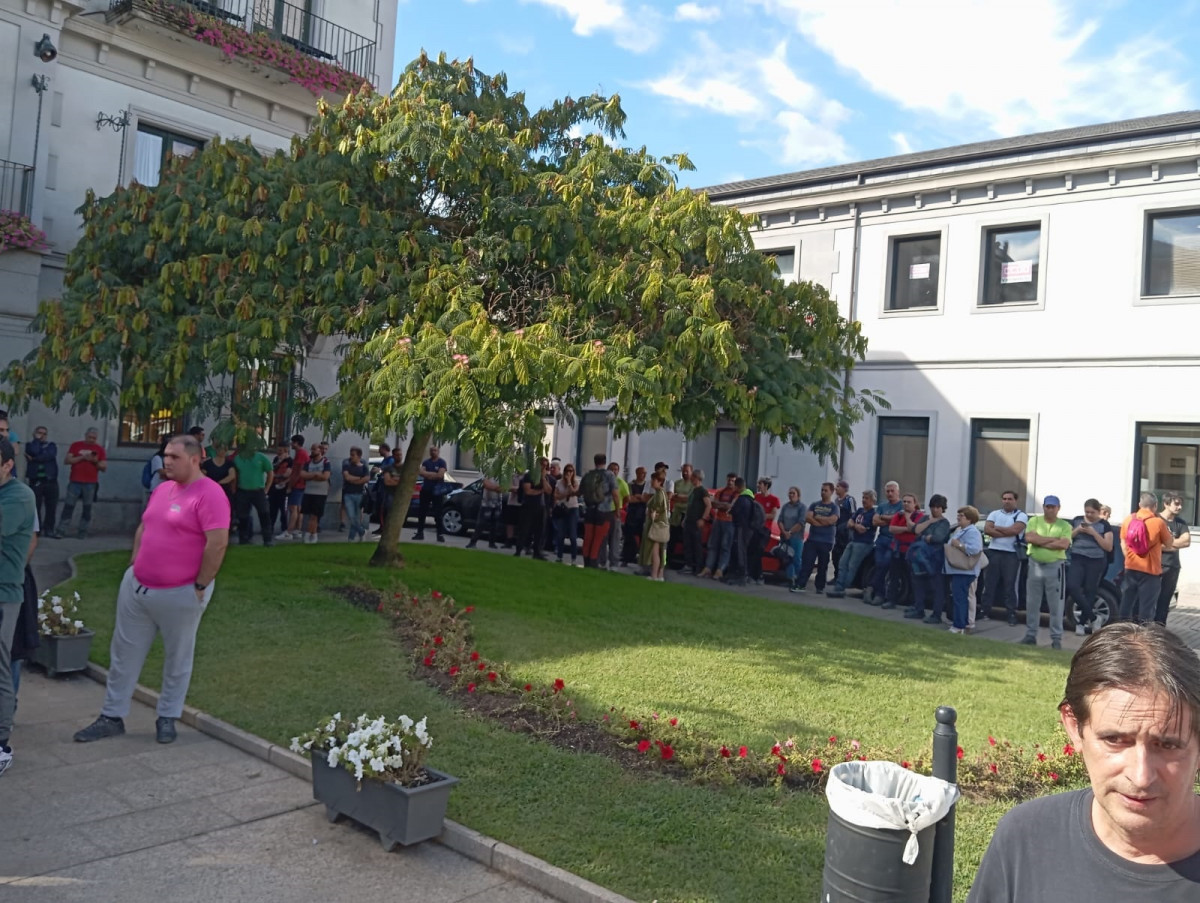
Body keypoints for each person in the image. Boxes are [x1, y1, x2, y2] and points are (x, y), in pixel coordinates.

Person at [966, 623, 1200, 901]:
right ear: (1074, 727)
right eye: (1114, 739)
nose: (1141, 776)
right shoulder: (1026, 838)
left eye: (1167, 745)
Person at [73, 435, 230, 747]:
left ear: (195, 459)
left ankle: (167, 717)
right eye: (166, 455)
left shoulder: (210, 494)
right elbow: (145, 526)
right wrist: (134, 562)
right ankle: (111, 716)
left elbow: (218, 543)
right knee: (123, 654)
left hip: (180, 593)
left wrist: (199, 585)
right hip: (138, 588)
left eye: (174, 457)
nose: (167, 461)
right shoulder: (161, 489)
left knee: (177, 658)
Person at [0, 439, 37, 777]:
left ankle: (1, 745)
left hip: (3, 595)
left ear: (8, 465)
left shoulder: (19, 496)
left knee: (1, 672)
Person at [1021, 495, 1073, 649]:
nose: (1049, 509)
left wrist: (1040, 540)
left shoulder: (1064, 525)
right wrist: (1052, 540)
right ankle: (1031, 635)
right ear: (1043, 507)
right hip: (1035, 565)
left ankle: (1056, 639)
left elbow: (1063, 544)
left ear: (1058, 508)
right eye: (1047, 506)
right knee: (1032, 602)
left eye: (1053, 507)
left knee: (1056, 605)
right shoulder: (1034, 521)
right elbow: (1030, 538)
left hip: (1055, 567)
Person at [1120, 492, 1175, 624]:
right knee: (1147, 608)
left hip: (1131, 568)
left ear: (1139, 504)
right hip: (1150, 571)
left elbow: (1123, 542)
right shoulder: (1158, 522)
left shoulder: (1128, 519)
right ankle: (1144, 637)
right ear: (1155, 506)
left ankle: (1121, 632)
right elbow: (1169, 543)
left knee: (1126, 604)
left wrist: (1128, 557)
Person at [1067, 498, 1114, 636]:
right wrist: (1077, 531)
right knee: (1072, 586)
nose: (1088, 515)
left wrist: (1093, 533)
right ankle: (1094, 617)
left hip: (1095, 561)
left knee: (1090, 590)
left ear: (1098, 512)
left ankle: (1081, 623)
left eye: (1092, 512)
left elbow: (1108, 546)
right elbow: (1066, 538)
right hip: (1077, 558)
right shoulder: (1076, 520)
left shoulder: (1104, 525)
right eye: (1086, 512)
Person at [982, 491, 1029, 625]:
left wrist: (996, 528)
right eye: (1004, 499)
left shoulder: (1021, 515)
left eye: (1010, 499)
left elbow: (1014, 531)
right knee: (989, 583)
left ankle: (1011, 614)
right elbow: (987, 530)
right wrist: (1005, 531)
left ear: (1015, 501)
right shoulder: (994, 514)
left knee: (1010, 585)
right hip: (994, 552)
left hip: (1011, 554)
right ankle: (984, 611)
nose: (1006, 501)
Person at [54, 426, 107, 539]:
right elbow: (67, 460)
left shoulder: (99, 449)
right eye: (90, 437)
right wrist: (82, 458)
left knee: (87, 508)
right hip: (75, 481)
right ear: (85, 435)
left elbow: (103, 467)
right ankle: (61, 530)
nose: (92, 440)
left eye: (94, 438)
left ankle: (83, 531)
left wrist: (95, 461)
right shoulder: (76, 446)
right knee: (69, 506)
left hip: (90, 483)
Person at [907, 494, 950, 622]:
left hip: (935, 558)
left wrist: (924, 537)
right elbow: (916, 530)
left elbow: (938, 538)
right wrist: (930, 522)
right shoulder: (926, 518)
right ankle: (918, 609)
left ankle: (936, 615)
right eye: (933, 507)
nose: (935, 510)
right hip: (919, 558)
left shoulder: (944, 523)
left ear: (943, 508)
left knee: (937, 587)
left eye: (938, 507)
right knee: (918, 584)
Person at [826, 490, 877, 598]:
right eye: (863, 498)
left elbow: (863, 529)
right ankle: (838, 586)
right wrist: (855, 525)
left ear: (872, 500)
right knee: (842, 563)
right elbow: (850, 523)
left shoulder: (873, 514)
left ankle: (842, 588)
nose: (864, 500)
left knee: (852, 566)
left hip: (864, 543)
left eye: (866, 498)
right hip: (853, 541)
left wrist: (854, 525)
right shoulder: (859, 510)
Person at [945, 506, 984, 635]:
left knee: (960, 598)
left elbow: (975, 549)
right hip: (958, 570)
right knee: (959, 597)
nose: (958, 518)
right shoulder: (961, 530)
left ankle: (959, 625)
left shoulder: (972, 531)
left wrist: (959, 545)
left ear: (969, 519)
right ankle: (960, 622)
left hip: (965, 571)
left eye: (961, 516)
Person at [795, 482, 839, 593]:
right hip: (812, 539)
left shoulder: (834, 507)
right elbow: (808, 517)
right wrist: (821, 521)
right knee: (807, 563)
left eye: (826, 490)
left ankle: (820, 587)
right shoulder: (815, 504)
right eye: (822, 490)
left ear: (831, 492)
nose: (823, 492)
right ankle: (800, 585)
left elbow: (832, 520)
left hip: (826, 541)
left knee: (822, 565)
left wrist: (817, 517)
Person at [883, 493, 924, 610]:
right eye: (904, 502)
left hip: (912, 552)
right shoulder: (898, 515)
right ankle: (891, 600)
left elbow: (916, 530)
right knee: (894, 576)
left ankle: (913, 603)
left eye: (908, 502)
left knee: (913, 578)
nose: (905, 504)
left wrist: (907, 518)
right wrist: (907, 529)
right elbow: (892, 529)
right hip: (897, 550)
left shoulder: (919, 516)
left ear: (915, 503)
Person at [580, 453, 620, 569]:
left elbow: (580, 491)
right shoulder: (609, 475)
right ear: (605, 462)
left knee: (588, 537)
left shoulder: (588, 475)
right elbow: (616, 495)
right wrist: (617, 509)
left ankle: (586, 561)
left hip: (589, 510)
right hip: (604, 511)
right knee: (598, 538)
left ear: (595, 461)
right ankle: (593, 562)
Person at [1157, 491, 1190, 626]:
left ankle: (1160, 630)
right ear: (1166, 504)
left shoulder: (1180, 523)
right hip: (1156, 566)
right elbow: (1152, 543)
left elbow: (1186, 542)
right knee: (1151, 601)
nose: (1179, 507)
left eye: (1181, 504)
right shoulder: (1156, 520)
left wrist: (1165, 543)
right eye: (1176, 504)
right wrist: (1173, 544)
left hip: (1173, 567)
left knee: (1165, 602)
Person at [866, 481, 903, 604]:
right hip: (881, 540)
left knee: (885, 564)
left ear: (898, 491)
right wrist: (890, 520)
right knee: (879, 564)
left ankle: (872, 588)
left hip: (894, 540)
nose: (890, 493)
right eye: (888, 491)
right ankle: (878, 594)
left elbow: (899, 520)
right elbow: (874, 522)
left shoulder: (902, 505)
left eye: (892, 491)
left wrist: (883, 518)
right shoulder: (882, 506)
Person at [232, 442, 274, 546]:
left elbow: (270, 472)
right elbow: (235, 475)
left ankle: (267, 539)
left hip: (258, 491)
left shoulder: (261, 457)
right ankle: (243, 539)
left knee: (264, 514)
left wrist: (266, 488)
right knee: (243, 516)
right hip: (242, 490)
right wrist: (234, 490)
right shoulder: (238, 458)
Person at [699, 473, 738, 580]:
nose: (730, 482)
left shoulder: (737, 493)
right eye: (729, 480)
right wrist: (724, 506)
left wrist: (721, 505)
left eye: (733, 481)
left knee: (725, 547)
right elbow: (713, 504)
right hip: (718, 520)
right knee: (713, 545)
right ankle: (708, 568)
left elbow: (730, 506)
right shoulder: (720, 491)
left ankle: (720, 570)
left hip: (730, 522)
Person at [25, 425, 59, 537]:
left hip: (50, 480)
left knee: (51, 507)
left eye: (44, 433)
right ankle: (37, 530)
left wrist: (34, 459)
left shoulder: (51, 445)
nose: (42, 435)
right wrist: (36, 440)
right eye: (39, 433)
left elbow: (49, 456)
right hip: (36, 480)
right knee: (36, 506)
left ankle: (49, 529)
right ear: (35, 433)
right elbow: (33, 450)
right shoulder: (30, 445)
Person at [725, 477, 757, 585]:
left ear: (737, 486)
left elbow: (736, 513)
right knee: (740, 551)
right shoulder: (750, 498)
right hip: (747, 529)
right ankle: (738, 574)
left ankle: (741, 575)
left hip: (742, 528)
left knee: (740, 552)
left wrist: (731, 511)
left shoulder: (742, 499)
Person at [413, 445, 449, 542]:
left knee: (438, 513)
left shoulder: (442, 462)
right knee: (422, 513)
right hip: (426, 490)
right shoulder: (426, 462)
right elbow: (421, 472)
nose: (433, 452)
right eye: (431, 450)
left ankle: (440, 534)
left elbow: (440, 475)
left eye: (435, 450)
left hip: (437, 491)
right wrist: (434, 474)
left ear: (438, 451)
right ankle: (420, 533)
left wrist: (428, 474)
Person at [515, 457, 548, 559]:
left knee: (539, 530)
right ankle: (519, 550)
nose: (544, 467)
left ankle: (537, 552)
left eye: (546, 466)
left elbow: (549, 490)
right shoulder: (529, 476)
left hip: (541, 506)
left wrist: (543, 478)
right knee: (524, 529)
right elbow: (528, 491)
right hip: (529, 506)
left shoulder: (544, 477)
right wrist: (540, 491)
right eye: (542, 465)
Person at [681, 468, 711, 575]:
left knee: (696, 545)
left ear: (697, 478)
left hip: (696, 521)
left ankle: (698, 566)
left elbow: (708, 505)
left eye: (693, 477)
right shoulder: (693, 490)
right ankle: (688, 565)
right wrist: (685, 518)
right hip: (689, 520)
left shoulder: (702, 491)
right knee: (687, 544)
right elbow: (689, 506)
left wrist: (703, 519)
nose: (691, 479)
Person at [300, 443, 331, 543]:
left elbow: (325, 476)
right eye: (311, 449)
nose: (312, 451)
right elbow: (302, 474)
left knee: (315, 515)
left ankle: (309, 535)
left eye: (314, 449)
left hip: (320, 493)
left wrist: (312, 476)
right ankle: (313, 534)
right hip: (309, 491)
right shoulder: (308, 462)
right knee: (309, 515)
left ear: (320, 450)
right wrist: (315, 475)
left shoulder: (326, 462)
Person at [467, 473, 505, 550]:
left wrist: (494, 487)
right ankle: (473, 542)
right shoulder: (487, 473)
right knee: (481, 523)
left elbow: (505, 487)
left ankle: (492, 543)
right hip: (486, 503)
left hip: (497, 503)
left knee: (494, 524)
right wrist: (497, 488)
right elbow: (487, 485)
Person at [778, 486, 806, 592]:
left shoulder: (802, 507)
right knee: (787, 558)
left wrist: (790, 532)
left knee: (796, 559)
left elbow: (801, 522)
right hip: (785, 536)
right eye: (790, 493)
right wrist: (784, 532)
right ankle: (789, 579)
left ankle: (799, 581)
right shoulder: (785, 507)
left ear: (798, 495)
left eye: (793, 493)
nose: (791, 495)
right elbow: (780, 520)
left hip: (796, 537)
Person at [552, 463, 581, 564]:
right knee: (561, 534)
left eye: (571, 471)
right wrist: (565, 494)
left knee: (573, 535)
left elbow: (574, 492)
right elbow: (556, 496)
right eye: (567, 471)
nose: (569, 473)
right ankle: (559, 556)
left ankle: (573, 558)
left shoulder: (576, 482)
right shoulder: (559, 482)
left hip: (573, 509)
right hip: (562, 508)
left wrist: (569, 483)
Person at [604, 461, 630, 569]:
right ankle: (602, 561)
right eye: (612, 469)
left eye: (616, 469)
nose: (614, 471)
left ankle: (614, 563)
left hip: (615, 513)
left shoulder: (621, 483)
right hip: (604, 512)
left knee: (615, 539)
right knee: (603, 538)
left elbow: (627, 498)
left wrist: (619, 507)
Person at [340, 447, 370, 542]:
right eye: (350, 454)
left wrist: (356, 480)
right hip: (348, 493)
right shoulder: (347, 466)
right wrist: (359, 478)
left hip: (359, 494)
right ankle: (361, 531)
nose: (351, 457)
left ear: (359, 456)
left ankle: (351, 538)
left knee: (356, 517)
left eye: (353, 455)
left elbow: (366, 479)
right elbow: (347, 477)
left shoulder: (364, 467)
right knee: (351, 516)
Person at [645, 471, 670, 582]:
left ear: (659, 482)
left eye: (654, 480)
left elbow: (656, 509)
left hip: (658, 525)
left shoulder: (659, 494)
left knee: (655, 550)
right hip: (663, 524)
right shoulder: (663, 493)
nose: (652, 482)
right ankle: (659, 574)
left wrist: (652, 513)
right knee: (662, 551)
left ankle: (654, 574)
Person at [622, 466, 649, 565]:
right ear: (637, 473)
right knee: (629, 537)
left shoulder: (648, 485)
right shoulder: (631, 484)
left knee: (643, 538)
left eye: (645, 473)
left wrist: (639, 497)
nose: (644, 475)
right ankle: (626, 558)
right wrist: (641, 498)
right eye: (642, 473)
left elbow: (647, 499)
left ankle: (642, 560)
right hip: (632, 514)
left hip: (643, 514)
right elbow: (629, 499)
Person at [285, 434, 310, 541]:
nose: (291, 444)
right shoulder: (302, 453)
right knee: (298, 508)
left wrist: (290, 485)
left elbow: (297, 472)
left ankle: (289, 532)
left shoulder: (300, 454)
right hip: (301, 484)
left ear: (296, 443)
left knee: (293, 507)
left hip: (298, 484)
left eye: (292, 442)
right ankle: (297, 530)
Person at [670, 463, 694, 564]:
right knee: (672, 538)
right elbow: (671, 495)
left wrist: (678, 496)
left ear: (691, 472)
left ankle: (686, 562)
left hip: (686, 514)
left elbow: (689, 498)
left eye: (687, 471)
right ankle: (668, 559)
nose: (685, 473)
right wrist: (680, 497)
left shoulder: (693, 484)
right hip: (676, 514)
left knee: (686, 539)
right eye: (683, 471)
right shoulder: (677, 483)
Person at [268, 441, 293, 537]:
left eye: (280, 450)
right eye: (278, 450)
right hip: (274, 488)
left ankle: (284, 529)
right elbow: (271, 470)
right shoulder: (276, 459)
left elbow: (288, 474)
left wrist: (277, 475)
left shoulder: (290, 461)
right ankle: (270, 527)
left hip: (283, 489)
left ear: (286, 450)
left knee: (283, 510)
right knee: (272, 509)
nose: (278, 452)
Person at [831, 479, 854, 579]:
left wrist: (845, 526)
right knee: (835, 555)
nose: (836, 488)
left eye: (838, 486)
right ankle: (836, 576)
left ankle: (842, 577)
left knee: (843, 555)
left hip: (845, 532)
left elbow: (853, 514)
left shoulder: (849, 500)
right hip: (836, 532)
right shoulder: (836, 501)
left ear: (844, 489)